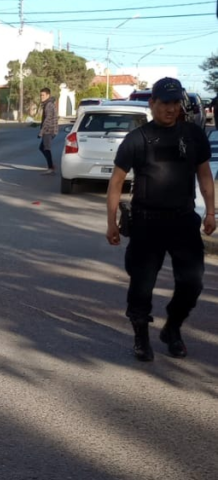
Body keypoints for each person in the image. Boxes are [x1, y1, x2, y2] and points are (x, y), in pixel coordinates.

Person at [106, 77, 215, 362]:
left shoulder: (193, 135)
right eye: (165, 102)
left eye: (175, 102)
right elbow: (116, 182)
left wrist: (211, 212)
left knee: (193, 283)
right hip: (146, 223)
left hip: (183, 221)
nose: (170, 108)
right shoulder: (137, 139)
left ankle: (172, 328)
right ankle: (141, 336)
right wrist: (111, 222)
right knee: (142, 285)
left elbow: (204, 174)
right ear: (152, 103)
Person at [38, 87, 58, 175]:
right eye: (40, 95)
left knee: (46, 148)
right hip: (49, 130)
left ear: (48, 95)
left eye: (43, 95)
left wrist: (41, 132)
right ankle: (51, 166)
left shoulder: (49, 105)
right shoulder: (47, 104)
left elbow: (48, 120)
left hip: (49, 130)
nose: (41, 97)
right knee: (42, 148)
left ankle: (50, 167)